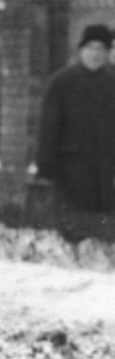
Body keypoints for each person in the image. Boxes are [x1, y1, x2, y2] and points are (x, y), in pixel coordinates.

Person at [35, 22, 115, 241]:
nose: (95, 54)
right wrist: (46, 164)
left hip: (106, 170)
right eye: (90, 48)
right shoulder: (61, 82)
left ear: (108, 53)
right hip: (72, 169)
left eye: (101, 49)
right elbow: (49, 128)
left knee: (104, 225)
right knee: (74, 224)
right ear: (80, 50)